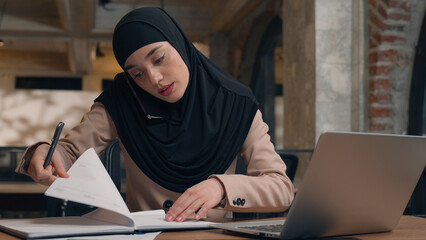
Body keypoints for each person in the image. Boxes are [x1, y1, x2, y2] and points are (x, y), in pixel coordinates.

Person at [15, 7, 294, 222]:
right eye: (137, 73)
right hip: (145, 235)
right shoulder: (123, 99)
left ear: (180, 45)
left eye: (159, 58)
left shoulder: (237, 102)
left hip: (212, 233)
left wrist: (221, 187)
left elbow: (281, 188)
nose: (155, 78)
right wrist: (43, 153)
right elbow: (69, 151)